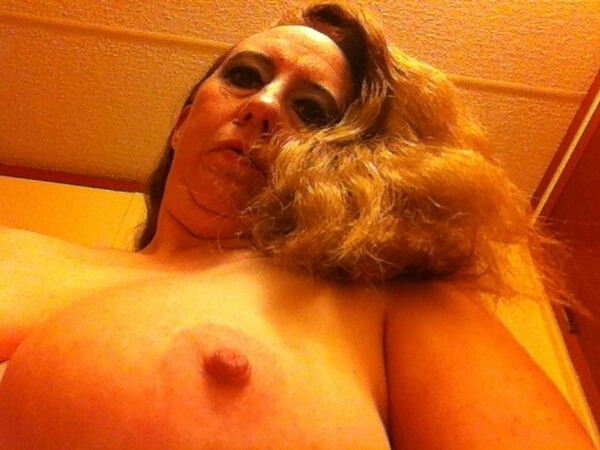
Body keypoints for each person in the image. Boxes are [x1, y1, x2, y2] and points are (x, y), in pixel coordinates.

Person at [0, 2, 595, 449]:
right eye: (244, 75)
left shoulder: (382, 299)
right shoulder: (15, 249)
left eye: (310, 110)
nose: (264, 106)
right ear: (181, 124)